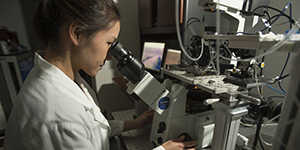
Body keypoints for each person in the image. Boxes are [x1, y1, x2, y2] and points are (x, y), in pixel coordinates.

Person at [4, 0, 197, 150]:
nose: (110, 57)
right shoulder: (57, 119)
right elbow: (75, 126)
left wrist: (133, 124)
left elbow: (90, 128)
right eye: (108, 43)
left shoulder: (69, 78)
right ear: (77, 33)